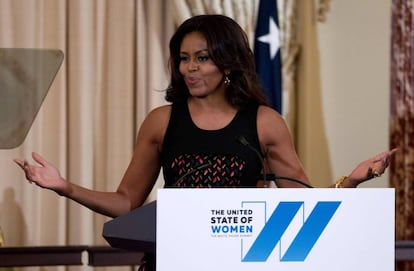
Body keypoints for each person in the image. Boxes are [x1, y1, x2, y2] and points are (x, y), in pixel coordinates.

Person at [14, 14, 395, 270]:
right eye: (183, 58)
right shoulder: (161, 122)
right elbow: (127, 203)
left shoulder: (265, 123)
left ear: (228, 62)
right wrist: (64, 187)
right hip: (170, 261)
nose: (189, 68)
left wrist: (353, 180)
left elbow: (300, 202)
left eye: (201, 58)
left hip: (240, 261)